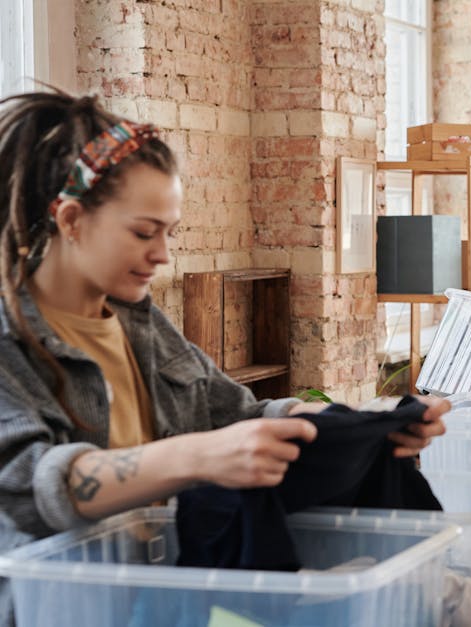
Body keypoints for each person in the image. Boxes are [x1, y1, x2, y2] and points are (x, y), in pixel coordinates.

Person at [0, 92, 447, 622]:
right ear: (71, 219)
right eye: (144, 232)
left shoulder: (139, 323)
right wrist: (199, 456)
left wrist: (340, 425)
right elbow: (27, 485)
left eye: (169, 232)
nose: (163, 254)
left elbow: (234, 416)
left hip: (167, 601)